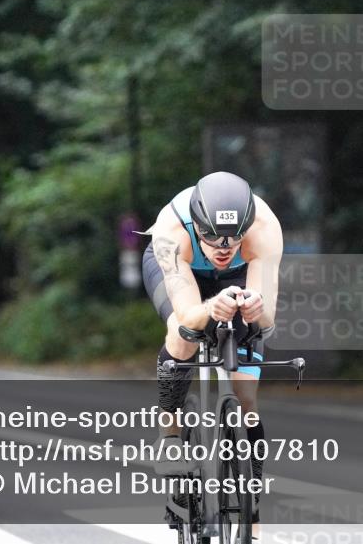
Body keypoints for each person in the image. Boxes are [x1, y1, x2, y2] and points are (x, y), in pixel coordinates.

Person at [143, 171, 282, 538]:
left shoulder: (264, 228)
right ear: (197, 226)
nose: (223, 246)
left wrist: (255, 307)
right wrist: (210, 309)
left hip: (239, 276)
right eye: (212, 237)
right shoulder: (171, 233)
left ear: (247, 226)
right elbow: (190, 317)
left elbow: (266, 321)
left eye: (234, 237)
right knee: (183, 333)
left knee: (246, 399)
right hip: (180, 268)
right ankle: (171, 434)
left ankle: (251, 517)